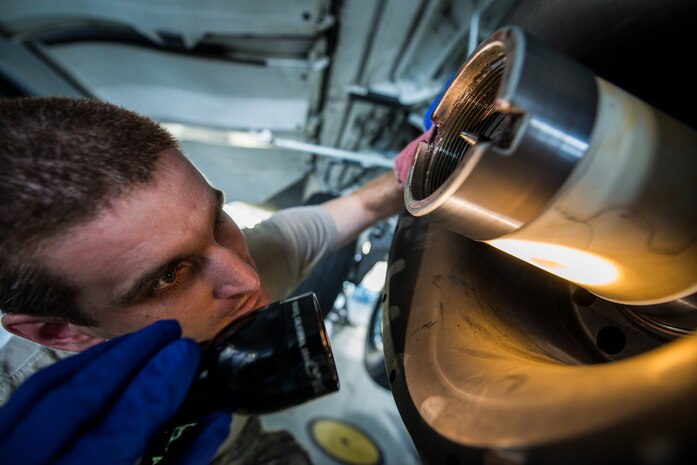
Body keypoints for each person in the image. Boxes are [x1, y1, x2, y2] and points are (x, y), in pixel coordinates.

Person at [0, 96, 414, 464]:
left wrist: (425, 163)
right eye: (167, 276)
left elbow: (359, 206)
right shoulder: (23, 429)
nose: (248, 280)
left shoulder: (233, 261)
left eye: (217, 218)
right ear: (59, 331)